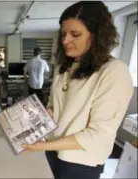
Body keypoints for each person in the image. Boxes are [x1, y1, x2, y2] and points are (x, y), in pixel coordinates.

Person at [22, 1, 134, 179]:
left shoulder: (113, 72)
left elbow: (98, 133)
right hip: (53, 150)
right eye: (64, 34)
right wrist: (36, 121)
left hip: (81, 161)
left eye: (75, 34)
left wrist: (41, 146)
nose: (66, 40)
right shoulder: (64, 67)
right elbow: (54, 108)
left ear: (97, 35)